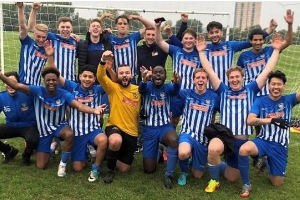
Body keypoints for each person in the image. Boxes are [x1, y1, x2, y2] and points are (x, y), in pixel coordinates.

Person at [196, 33, 286, 193]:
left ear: (242, 78)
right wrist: (202, 52)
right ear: (228, 79)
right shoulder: (223, 90)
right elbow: (209, 70)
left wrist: (276, 50)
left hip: (241, 141)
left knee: (232, 177)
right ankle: (214, 180)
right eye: (231, 78)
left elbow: (267, 71)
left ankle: (221, 165)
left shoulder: (251, 89)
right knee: (212, 148)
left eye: (237, 77)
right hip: (225, 137)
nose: (234, 80)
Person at [0, 65, 106, 177]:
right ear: (44, 81)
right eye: (48, 80)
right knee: (41, 165)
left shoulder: (64, 94)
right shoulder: (37, 91)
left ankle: (62, 165)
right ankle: (52, 147)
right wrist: (1, 75)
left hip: (59, 127)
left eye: (54, 80)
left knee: (69, 134)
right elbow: (16, 85)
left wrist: (94, 110)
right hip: (44, 130)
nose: (51, 82)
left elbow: (79, 106)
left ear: (57, 81)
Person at [46, 40, 108, 182]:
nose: (87, 79)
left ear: (94, 79)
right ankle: (87, 150)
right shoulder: (72, 86)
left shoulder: (98, 89)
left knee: (103, 140)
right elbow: (55, 73)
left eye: (90, 77)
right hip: (76, 132)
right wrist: (50, 57)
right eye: (84, 76)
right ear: (80, 76)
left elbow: (107, 79)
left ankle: (96, 168)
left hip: (93, 130)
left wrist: (106, 64)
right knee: (77, 168)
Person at [238, 70, 299, 198]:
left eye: (279, 84)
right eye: (273, 84)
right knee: (244, 149)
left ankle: (266, 162)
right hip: (263, 141)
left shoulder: (289, 100)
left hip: (280, 146)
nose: (276, 87)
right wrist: (271, 120)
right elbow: (250, 120)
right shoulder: (260, 101)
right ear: (268, 85)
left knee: (276, 183)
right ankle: (246, 184)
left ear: (284, 86)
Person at [168, 20, 276, 88]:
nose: (214, 35)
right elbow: (184, 45)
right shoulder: (204, 48)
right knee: (210, 118)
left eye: (217, 32)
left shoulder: (230, 46)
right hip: (209, 87)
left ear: (222, 33)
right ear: (208, 35)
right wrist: (171, 35)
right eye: (211, 32)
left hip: (227, 87)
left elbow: (250, 41)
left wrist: (269, 30)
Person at [97, 50, 141, 184]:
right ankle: (110, 171)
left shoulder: (139, 90)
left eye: (127, 73)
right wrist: (103, 61)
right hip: (114, 126)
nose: (124, 75)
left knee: (123, 168)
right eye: (121, 73)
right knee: (115, 141)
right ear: (118, 75)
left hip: (132, 132)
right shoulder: (113, 88)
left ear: (132, 74)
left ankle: (109, 154)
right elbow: (100, 77)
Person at [154, 18, 201, 128]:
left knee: (193, 120)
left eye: (191, 38)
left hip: (193, 93)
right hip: (177, 93)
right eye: (186, 38)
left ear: (195, 40)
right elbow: (160, 41)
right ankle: (171, 142)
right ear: (182, 40)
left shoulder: (200, 54)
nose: (188, 40)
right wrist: (157, 27)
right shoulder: (176, 51)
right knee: (173, 119)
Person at [138, 66, 180, 189]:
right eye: (155, 73)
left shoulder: (168, 87)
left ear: (165, 76)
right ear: (152, 76)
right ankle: (159, 152)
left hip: (164, 127)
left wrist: (177, 83)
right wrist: (144, 79)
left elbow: (175, 89)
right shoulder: (147, 86)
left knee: (173, 139)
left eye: (161, 73)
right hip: (149, 129)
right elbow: (141, 89)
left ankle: (169, 174)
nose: (158, 75)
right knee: (149, 169)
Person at [177, 68, 220, 186]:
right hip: (188, 133)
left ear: (207, 80)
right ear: (193, 80)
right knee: (183, 153)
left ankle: (195, 159)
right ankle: (184, 172)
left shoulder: (214, 97)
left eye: (203, 78)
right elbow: (172, 91)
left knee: (197, 175)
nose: (200, 80)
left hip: (203, 138)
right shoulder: (186, 93)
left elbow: (218, 111)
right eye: (198, 78)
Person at [0, 71, 39, 166]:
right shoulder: (2, 96)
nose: (10, 85)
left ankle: (26, 155)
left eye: (12, 82)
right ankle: (8, 151)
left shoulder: (28, 94)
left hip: (28, 126)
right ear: (4, 83)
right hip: (11, 125)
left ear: (18, 83)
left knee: (33, 139)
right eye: (7, 82)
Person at [106, 14, 153, 84]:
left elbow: (151, 26)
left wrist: (138, 18)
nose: (122, 26)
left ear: (128, 26)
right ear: (116, 26)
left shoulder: (133, 38)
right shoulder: (111, 38)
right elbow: (97, 30)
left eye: (125, 24)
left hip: (131, 79)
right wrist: (105, 29)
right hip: (117, 80)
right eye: (120, 23)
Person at [16, 2, 48, 86]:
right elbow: (23, 26)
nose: (41, 39)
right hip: (23, 84)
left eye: (43, 37)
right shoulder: (27, 42)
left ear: (47, 36)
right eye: (38, 36)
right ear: (34, 34)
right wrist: (20, 8)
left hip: (37, 86)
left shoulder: (48, 48)